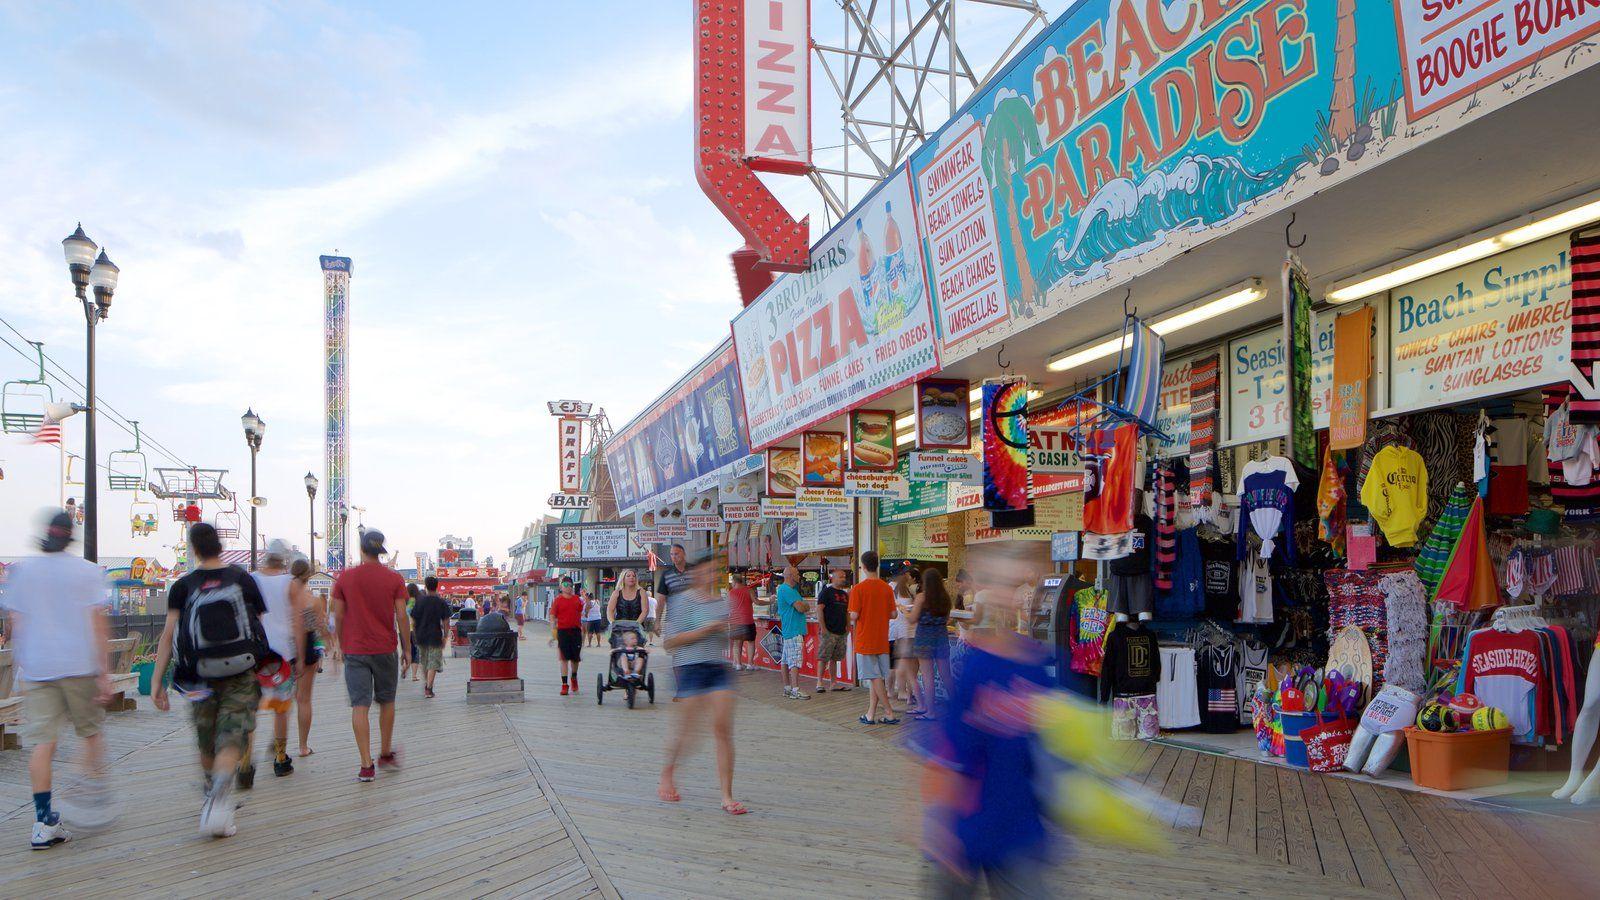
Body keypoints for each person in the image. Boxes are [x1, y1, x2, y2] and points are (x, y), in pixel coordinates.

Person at [919, 546, 1054, 896]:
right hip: (962, 829)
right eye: (997, 582)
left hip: (1019, 830)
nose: (1007, 595)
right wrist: (938, 826)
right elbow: (947, 748)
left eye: (1015, 583)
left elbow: (1050, 749)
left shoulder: (1035, 665)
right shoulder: (972, 667)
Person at [0, 510, 113, 850]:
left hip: (37, 668)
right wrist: (104, 672)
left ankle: (43, 821)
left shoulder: (24, 572)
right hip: (79, 665)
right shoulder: (86, 571)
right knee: (91, 732)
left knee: (42, 744)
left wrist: (22, 665)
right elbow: (97, 623)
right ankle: (87, 790)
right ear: (71, 535)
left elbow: (15, 624)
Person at [152, 523, 269, 838]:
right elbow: (257, 627)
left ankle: (210, 792)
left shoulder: (183, 586)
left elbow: (168, 635)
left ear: (194, 549)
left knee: (207, 737)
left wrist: (157, 681)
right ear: (220, 546)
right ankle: (219, 797)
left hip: (197, 676)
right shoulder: (242, 579)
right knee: (232, 735)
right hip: (240, 671)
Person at [658, 556, 745, 815]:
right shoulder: (681, 601)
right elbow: (670, 642)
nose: (711, 575)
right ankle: (668, 772)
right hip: (689, 668)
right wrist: (707, 630)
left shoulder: (724, 601)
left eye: (714, 572)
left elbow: (732, 633)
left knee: (723, 729)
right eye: (706, 571)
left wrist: (733, 629)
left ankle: (727, 796)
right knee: (687, 733)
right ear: (695, 574)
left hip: (718, 667)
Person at [331, 529, 412, 783]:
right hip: (385, 648)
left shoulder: (346, 578)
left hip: (355, 650)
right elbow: (401, 615)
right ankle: (385, 753)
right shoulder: (394, 579)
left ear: (362, 549)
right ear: (381, 551)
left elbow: (339, 616)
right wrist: (407, 648)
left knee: (360, 706)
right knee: (387, 701)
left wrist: (341, 645)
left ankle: (366, 765)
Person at [251, 540, 308, 780]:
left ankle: (245, 761)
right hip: (283, 655)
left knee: (250, 708)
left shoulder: (251, 579)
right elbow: (297, 623)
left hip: (255, 653)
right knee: (281, 709)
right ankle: (280, 758)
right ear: (285, 559)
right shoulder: (290, 583)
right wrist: (302, 657)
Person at [849, 550, 898, 725]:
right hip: (882, 639)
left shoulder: (858, 589)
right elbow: (893, 614)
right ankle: (870, 714)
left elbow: (854, 615)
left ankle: (889, 711)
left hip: (865, 638)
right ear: (876, 565)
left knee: (874, 677)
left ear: (862, 566)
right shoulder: (886, 588)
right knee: (876, 677)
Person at [290, 558, 327, 757]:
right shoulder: (311, 600)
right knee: (303, 699)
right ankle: (303, 746)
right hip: (306, 647)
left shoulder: (285, 597)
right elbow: (318, 626)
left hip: (283, 647)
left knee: (281, 698)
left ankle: (277, 740)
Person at [909, 569, 952, 719]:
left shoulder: (921, 597)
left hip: (924, 640)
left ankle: (930, 712)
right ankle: (957, 707)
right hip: (941, 637)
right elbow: (947, 619)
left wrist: (906, 612)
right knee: (946, 675)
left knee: (928, 677)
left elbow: (913, 619)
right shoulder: (946, 598)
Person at [410, 576, 452, 699]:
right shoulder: (441, 602)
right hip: (435, 636)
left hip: (421, 636)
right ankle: (429, 688)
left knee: (424, 662)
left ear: (426, 586)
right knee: (433, 663)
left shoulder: (420, 601)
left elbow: (413, 619)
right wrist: (445, 636)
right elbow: (446, 621)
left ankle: (426, 685)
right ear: (437, 586)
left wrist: (415, 632)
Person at [812, 568, 851, 693]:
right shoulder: (826, 592)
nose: (843, 579)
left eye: (844, 577)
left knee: (835, 658)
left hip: (841, 631)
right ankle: (819, 682)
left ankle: (833, 683)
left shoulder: (845, 595)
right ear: (833, 578)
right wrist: (823, 627)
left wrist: (848, 626)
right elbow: (819, 609)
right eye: (840, 577)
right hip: (828, 630)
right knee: (823, 657)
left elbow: (847, 612)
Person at [775, 566, 810, 700]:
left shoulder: (789, 590)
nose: (799, 576)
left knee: (785, 660)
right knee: (794, 660)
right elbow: (801, 607)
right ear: (790, 575)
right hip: (794, 629)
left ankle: (787, 688)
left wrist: (803, 604)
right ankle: (796, 689)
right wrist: (804, 605)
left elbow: (801, 605)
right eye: (797, 573)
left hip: (789, 629)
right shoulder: (787, 589)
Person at [550, 578, 584, 695]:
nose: (568, 587)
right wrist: (553, 629)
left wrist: (587, 600)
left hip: (575, 631)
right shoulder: (557, 600)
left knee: (575, 659)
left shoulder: (577, 600)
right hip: (563, 631)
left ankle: (574, 677)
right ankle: (564, 684)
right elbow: (553, 615)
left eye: (570, 585)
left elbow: (584, 611)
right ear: (561, 586)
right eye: (565, 584)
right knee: (564, 658)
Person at [890, 571, 919, 708]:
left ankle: (904, 692)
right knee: (904, 663)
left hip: (905, 631)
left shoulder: (905, 588)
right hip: (903, 630)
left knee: (904, 663)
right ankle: (902, 691)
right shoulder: (895, 588)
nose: (908, 576)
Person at [727, 573, 756, 670]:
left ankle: (738, 664)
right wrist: (770, 601)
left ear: (734, 582)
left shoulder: (731, 592)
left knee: (737, 643)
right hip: (748, 620)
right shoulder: (749, 590)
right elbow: (757, 602)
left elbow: (728, 606)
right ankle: (750, 664)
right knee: (751, 642)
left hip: (735, 621)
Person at [607, 568, 648, 641]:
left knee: (638, 649)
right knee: (617, 648)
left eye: (633, 576)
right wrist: (613, 623)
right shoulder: (617, 592)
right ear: (623, 578)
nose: (631, 577)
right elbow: (610, 610)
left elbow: (645, 611)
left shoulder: (641, 592)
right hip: (620, 627)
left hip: (637, 626)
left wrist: (636, 624)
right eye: (628, 576)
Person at [406, 584, 422, 681]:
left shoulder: (403, 601)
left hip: (404, 629)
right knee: (415, 652)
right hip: (414, 629)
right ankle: (414, 675)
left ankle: (404, 667)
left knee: (407, 650)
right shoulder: (415, 601)